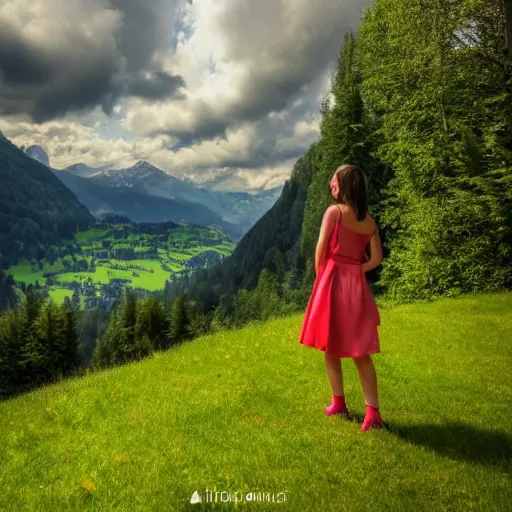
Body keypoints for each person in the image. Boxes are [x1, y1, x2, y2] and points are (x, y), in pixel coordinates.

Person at [299, 164, 386, 432]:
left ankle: (339, 402)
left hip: (332, 279)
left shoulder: (334, 212)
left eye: (334, 180)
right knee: (361, 350)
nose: (331, 184)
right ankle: (373, 413)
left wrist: (320, 279)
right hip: (356, 286)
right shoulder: (369, 221)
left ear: (343, 186)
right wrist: (357, 269)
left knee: (331, 345)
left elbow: (321, 249)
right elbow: (377, 259)